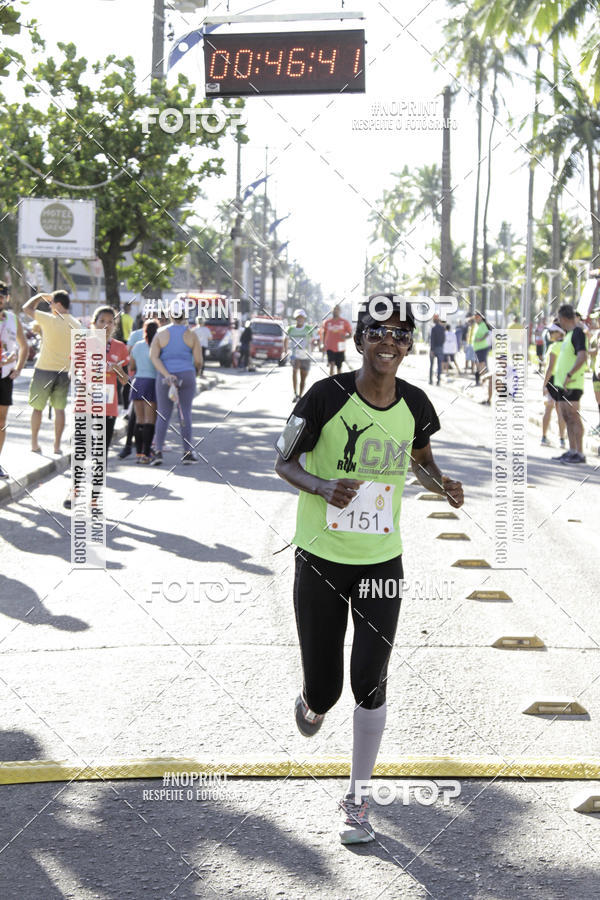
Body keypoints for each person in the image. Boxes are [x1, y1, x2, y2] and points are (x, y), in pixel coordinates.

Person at [275, 294, 464, 845]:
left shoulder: (417, 403)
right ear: (359, 340)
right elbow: (282, 458)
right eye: (378, 333)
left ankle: (357, 801)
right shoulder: (323, 396)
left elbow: (420, 463)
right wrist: (321, 485)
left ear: (409, 345)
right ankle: (310, 703)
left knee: (370, 681)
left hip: (382, 563)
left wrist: (443, 485)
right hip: (320, 560)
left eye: (401, 334)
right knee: (327, 690)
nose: (390, 341)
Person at [63, 305, 129, 509]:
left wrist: (114, 367)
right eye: (102, 321)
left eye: (110, 322)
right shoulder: (83, 344)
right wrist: (85, 373)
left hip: (107, 407)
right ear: (94, 323)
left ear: (114, 325)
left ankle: (94, 498)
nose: (106, 325)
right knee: (81, 449)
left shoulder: (120, 348)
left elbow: (126, 380)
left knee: (101, 452)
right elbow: (71, 374)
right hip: (85, 402)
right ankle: (74, 491)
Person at [22, 290, 81, 455]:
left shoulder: (49, 319)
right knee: (59, 409)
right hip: (64, 371)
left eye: (51, 303)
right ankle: (56, 446)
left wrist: (40, 296)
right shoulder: (76, 324)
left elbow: (26, 308)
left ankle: (34, 443)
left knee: (37, 408)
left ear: (59, 304)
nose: (50, 306)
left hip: (44, 369)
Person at [149, 298, 203, 465]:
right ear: (186, 314)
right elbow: (198, 361)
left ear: (170, 314)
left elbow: (153, 357)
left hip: (166, 378)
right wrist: (197, 372)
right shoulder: (192, 334)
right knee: (185, 413)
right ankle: (187, 452)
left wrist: (167, 374)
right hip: (187, 375)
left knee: (163, 414)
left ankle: (157, 451)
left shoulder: (161, 333)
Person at [552, 303, 588, 464]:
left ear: (565, 318)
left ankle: (580, 453)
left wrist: (569, 375)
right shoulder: (569, 334)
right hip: (563, 383)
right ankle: (572, 450)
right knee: (566, 416)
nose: (559, 322)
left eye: (560, 319)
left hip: (572, 382)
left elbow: (582, 357)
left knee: (574, 416)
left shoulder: (578, 333)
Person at [0, 283, 29, 479]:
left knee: (1, 421)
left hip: (4, 377)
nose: (0, 299)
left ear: (7, 298)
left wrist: (18, 368)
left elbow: (24, 346)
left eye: (3, 296)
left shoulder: (12, 319)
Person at [129, 318, 158, 463]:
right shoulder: (158, 346)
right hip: (151, 382)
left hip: (137, 382)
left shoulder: (137, 346)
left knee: (138, 420)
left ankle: (139, 453)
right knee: (149, 421)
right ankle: (147, 453)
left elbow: (131, 366)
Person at [541, 323, 567, 448]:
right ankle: (562, 440)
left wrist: (544, 384)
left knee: (548, 408)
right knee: (560, 411)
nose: (550, 334)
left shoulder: (554, 347)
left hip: (552, 380)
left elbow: (550, 368)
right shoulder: (568, 346)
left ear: (560, 333)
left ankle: (544, 437)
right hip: (563, 381)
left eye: (552, 332)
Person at [285, 308, 314, 401]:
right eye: (298, 317)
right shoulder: (290, 329)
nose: (300, 319)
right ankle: (295, 393)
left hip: (305, 355)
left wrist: (313, 348)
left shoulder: (308, 328)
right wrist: (285, 351)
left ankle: (300, 395)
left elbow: (314, 339)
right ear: (295, 318)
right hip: (295, 355)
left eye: (301, 317)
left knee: (303, 376)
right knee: (294, 371)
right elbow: (285, 339)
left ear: (304, 318)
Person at [322, 304, 353, 376]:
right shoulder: (327, 322)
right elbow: (324, 333)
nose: (336, 311)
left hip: (340, 348)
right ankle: (331, 382)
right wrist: (323, 344)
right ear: (331, 311)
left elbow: (350, 334)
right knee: (331, 365)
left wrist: (345, 337)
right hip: (330, 347)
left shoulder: (345, 322)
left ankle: (338, 384)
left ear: (340, 311)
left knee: (339, 367)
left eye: (337, 309)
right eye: (334, 309)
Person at [588, 307, 600, 436]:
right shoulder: (597, 334)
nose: (597, 321)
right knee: (598, 400)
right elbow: (596, 351)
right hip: (596, 370)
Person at [470, 310, 491, 386]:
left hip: (482, 348)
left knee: (481, 364)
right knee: (479, 365)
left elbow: (486, 334)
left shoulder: (483, 325)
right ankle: (482, 380)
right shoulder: (477, 325)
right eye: (475, 317)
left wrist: (480, 339)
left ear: (481, 318)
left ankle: (483, 380)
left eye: (477, 317)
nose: (476, 319)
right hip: (477, 348)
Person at [428, 314, 445, 385]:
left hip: (434, 348)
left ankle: (431, 380)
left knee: (432, 365)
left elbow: (432, 340)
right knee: (439, 365)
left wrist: (432, 350)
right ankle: (438, 381)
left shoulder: (433, 328)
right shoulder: (442, 328)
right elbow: (444, 339)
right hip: (440, 348)